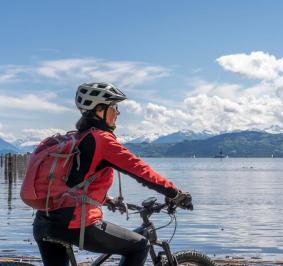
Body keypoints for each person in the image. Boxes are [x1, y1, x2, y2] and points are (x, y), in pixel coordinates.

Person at [32, 82, 193, 266]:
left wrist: (107, 199)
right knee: (140, 245)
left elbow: (73, 182)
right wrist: (175, 193)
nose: (118, 112)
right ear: (100, 110)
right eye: (114, 107)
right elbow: (141, 170)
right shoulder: (101, 140)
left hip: (44, 223)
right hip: (77, 225)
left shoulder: (76, 138)